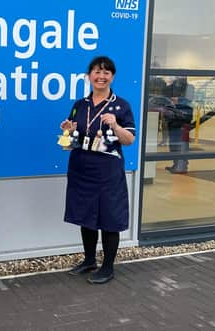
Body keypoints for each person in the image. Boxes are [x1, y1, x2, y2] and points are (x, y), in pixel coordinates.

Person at [60, 56, 136, 284]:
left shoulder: (121, 105)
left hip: (107, 170)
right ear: (89, 75)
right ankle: (89, 260)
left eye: (106, 72)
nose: (100, 76)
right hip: (81, 167)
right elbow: (71, 141)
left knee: (109, 217)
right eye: (96, 71)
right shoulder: (79, 105)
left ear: (112, 76)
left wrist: (115, 125)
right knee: (85, 215)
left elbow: (130, 139)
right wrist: (68, 131)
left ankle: (108, 267)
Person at [163, 77, 194, 174]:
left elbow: (189, 99)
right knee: (173, 144)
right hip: (172, 117)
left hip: (183, 118)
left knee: (182, 143)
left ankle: (182, 166)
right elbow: (165, 98)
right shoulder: (171, 87)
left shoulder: (189, 87)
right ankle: (176, 164)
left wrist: (178, 100)